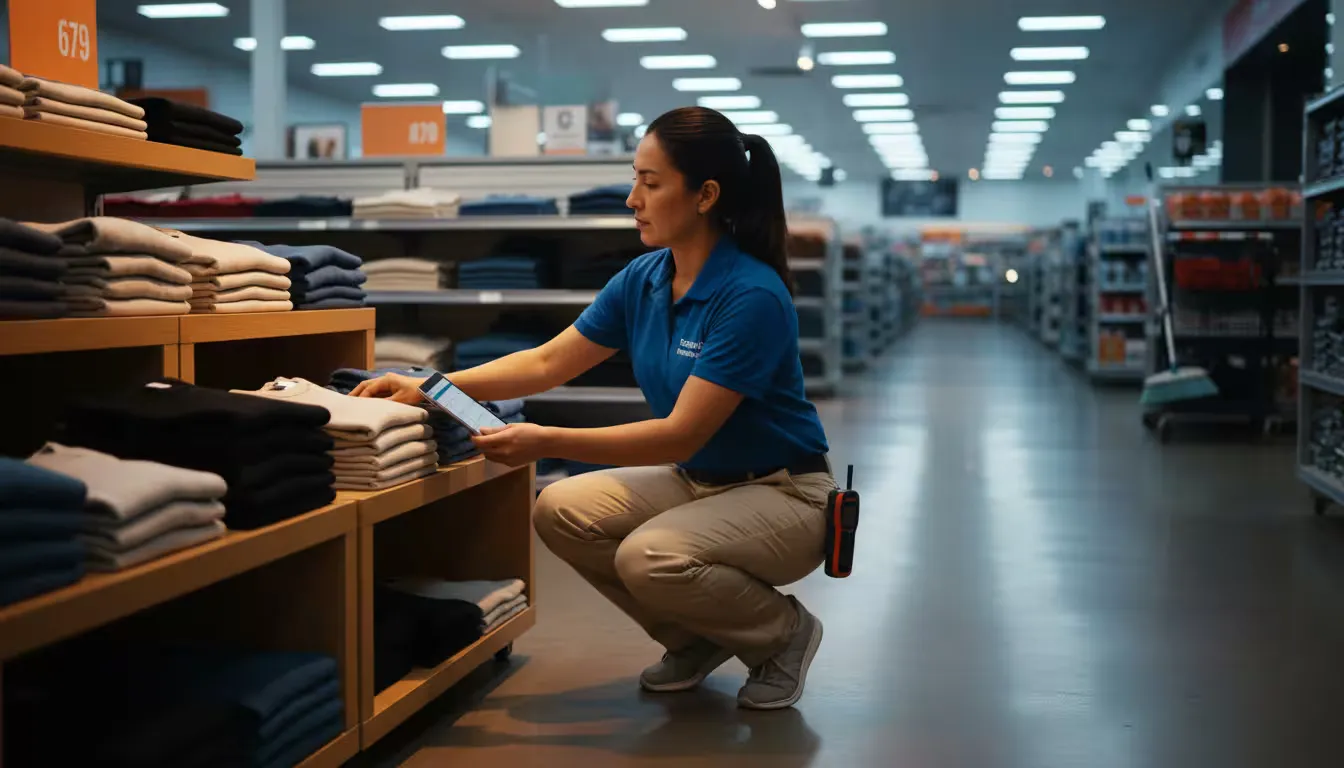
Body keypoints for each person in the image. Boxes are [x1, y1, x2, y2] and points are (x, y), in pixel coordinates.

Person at [352, 106, 835, 710]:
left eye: (651, 183)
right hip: (702, 482)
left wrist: (544, 439)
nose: (633, 198)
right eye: (635, 178)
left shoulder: (750, 295)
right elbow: (549, 362)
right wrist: (432, 385)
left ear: (705, 195)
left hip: (786, 493)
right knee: (559, 508)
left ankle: (784, 634)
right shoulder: (646, 277)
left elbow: (679, 435)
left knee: (650, 556)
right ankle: (694, 639)